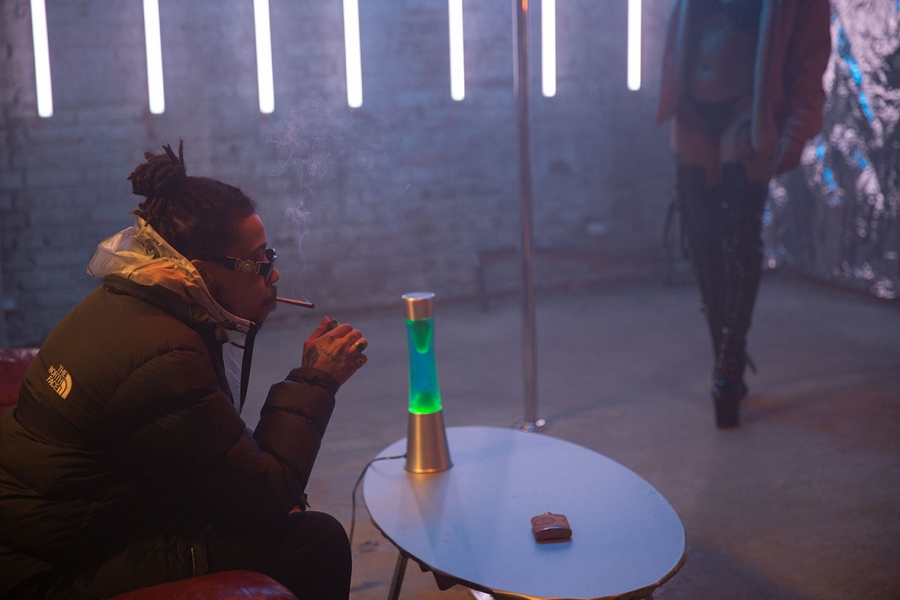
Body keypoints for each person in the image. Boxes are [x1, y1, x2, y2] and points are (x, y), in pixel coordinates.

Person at [0, 141, 367, 599]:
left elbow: (206, 463)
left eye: (270, 257)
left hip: (56, 533)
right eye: (257, 262)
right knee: (316, 542)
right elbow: (262, 497)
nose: (272, 275)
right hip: (53, 571)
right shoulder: (165, 358)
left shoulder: (129, 299)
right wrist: (315, 380)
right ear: (200, 273)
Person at [657, 0, 831, 428]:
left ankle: (728, 371)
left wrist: (794, 131)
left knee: (738, 236)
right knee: (702, 242)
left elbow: (810, 58)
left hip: (748, 109)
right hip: (693, 106)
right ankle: (725, 354)